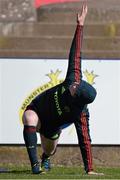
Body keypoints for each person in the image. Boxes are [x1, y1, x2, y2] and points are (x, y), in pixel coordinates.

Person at [22, 4, 102, 175]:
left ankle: (45, 158)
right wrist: (80, 25)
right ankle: (35, 167)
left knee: (49, 150)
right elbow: (76, 53)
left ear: (78, 98)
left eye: (75, 88)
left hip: (51, 128)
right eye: (76, 84)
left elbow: (85, 140)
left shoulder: (80, 114)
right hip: (37, 109)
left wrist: (90, 170)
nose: (74, 84)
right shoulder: (74, 79)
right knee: (28, 117)